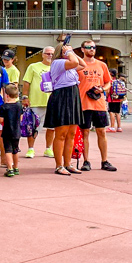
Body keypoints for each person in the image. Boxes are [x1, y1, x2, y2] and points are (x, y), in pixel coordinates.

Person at [45, 39, 86, 175]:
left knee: (71, 134)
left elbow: (83, 64)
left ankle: (68, 163)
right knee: (61, 133)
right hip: (62, 97)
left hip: (73, 96)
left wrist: (71, 52)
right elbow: (74, 63)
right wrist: (69, 53)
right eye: (66, 50)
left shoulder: (69, 63)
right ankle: (59, 165)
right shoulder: (58, 63)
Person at [77, 41, 116, 172]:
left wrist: (102, 89)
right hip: (83, 104)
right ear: (83, 49)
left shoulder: (102, 65)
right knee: (85, 132)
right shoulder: (78, 65)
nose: (91, 49)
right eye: (88, 47)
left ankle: (104, 161)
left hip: (99, 104)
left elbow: (108, 82)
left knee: (102, 131)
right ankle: (86, 161)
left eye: (93, 47)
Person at [22, 46, 54, 158]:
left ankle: (48, 149)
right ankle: (31, 149)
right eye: (48, 53)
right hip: (36, 101)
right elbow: (26, 82)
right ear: (43, 54)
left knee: (51, 128)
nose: (50, 56)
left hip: (52, 102)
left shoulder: (56, 67)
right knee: (33, 127)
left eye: (52, 54)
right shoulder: (33, 66)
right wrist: (25, 97)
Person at [0, 83, 23, 177]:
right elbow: (21, 118)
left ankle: (10, 168)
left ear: (7, 95)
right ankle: (16, 167)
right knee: (15, 150)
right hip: (17, 131)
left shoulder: (4, 107)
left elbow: (1, 120)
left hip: (7, 131)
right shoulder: (19, 106)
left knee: (8, 150)